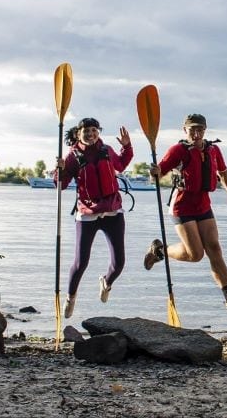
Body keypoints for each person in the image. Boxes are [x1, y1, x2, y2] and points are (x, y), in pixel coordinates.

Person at [144, 113, 227, 314]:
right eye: (192, 129)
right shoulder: (178, 150)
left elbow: (223, 174)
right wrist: (154, 172)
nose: (196, 133)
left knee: (214, 248)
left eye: (200, 129)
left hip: (203, 205)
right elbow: (160, 173)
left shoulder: (213, 150)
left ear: (205, 130)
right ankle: (159, 251)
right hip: (182, 206)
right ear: (184, 130)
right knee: (195, 255)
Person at [55, 117, 133, 319]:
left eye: (93, 130)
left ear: (98, 131)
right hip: (87, 215)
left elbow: (122, 164)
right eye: (85, 131)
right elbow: (60, 185)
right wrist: (60, 170)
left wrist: (126, 147)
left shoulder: (106, 150)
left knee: (119, 264)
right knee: (81, 263)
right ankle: (71, 297)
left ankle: (106, 283)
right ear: (77, 134)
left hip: (113, 213)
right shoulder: (72, 156)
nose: (90, 134)